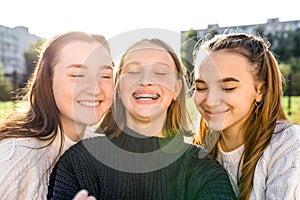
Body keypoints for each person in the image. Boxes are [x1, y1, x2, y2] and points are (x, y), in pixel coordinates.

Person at [47, 38, 236, 200]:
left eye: (160, 72)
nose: (145, 81)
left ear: (177, 89)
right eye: (133, 71)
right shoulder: (79, 162)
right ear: (118, 87)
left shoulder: (202, 169)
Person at [0, 31, 114, 199]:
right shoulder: (13, 158)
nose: (96, 89)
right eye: (77, 75)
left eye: (105, 76)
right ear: (48, 80)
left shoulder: (99, 149)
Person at [192, 33, 300, 199]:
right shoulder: (195, 150)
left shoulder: (289, 145)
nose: (211, 101)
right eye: (200, 88)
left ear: (260, 91)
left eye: (227, 88)